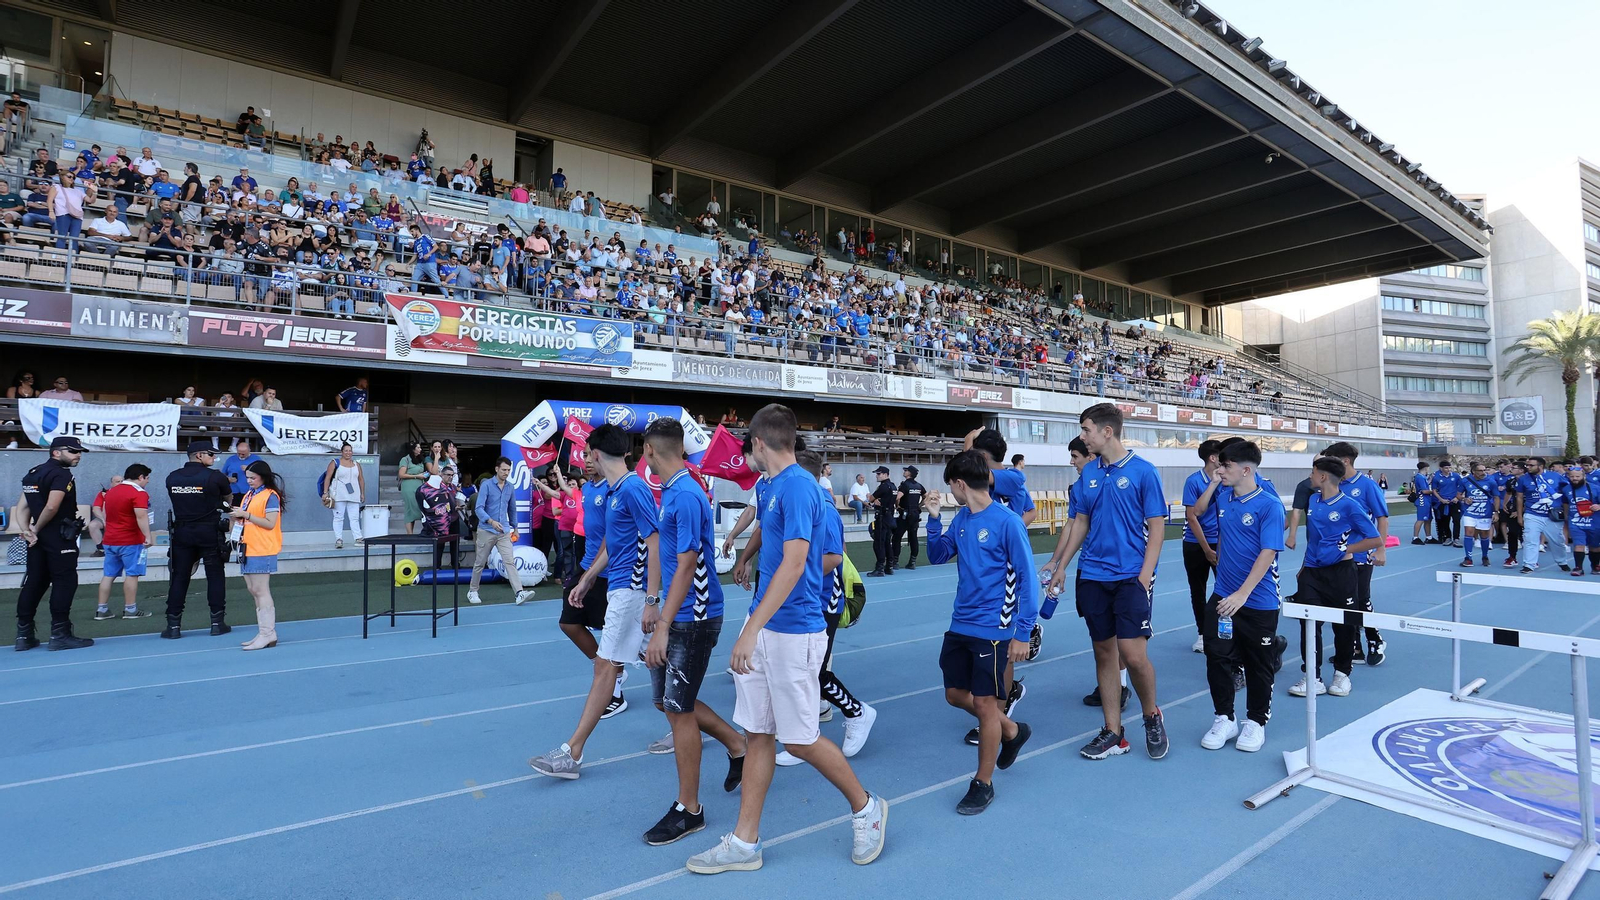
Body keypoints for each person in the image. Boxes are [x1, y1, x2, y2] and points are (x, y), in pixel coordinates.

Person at [684, 403, 886, 875]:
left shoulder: (797, 486)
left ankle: (867, 808)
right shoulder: (772, 485)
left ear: (758, 443)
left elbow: (796, 565)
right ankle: (744, 843)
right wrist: (748, 565)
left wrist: (750, 629)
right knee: (758, 734)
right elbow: (771, 542)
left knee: (799, 740)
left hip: (794, 632)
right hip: (767, 626)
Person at [529, 424, 660, 780]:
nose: (586, 459)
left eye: (588, 454)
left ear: (598, 454)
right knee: (665, 673)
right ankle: (730, 741)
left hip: (631, 591)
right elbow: (613, 544)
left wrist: (651, 598)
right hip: (619, 587)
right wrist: (587, 579)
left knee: (605, 667)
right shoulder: (616, 490)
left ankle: (572, 752)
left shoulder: (632, 488)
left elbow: (655, 542)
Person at [639, 418, 748, 845]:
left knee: (678, 708)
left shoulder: (684, 494)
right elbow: (667, 556)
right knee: (665, 701)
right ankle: (736, 744)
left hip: (694, 617)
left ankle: (690, 810)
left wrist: (664, 625)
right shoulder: (673, 490)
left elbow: (686, 565)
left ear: (649, 450)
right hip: (676, 612)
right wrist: (654, 603)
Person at [1044, 403, 1169, 761]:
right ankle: (1113, 731)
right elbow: (1081, 522)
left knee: (1133, 655)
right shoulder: (1088, 473)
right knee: (1104, 652)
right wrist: (1062, 565)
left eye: (1086, 430)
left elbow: (1157, 527)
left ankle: (1151, 715)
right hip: (1093, 577)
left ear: (1107, 431)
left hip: (1130, 577)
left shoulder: (1144, 472)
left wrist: (1144, 576)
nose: (1082, 437)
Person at [924, 449, 1037, 814]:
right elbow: (938, 555)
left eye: (950, 487)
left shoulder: (1007, 522)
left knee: (986, 706)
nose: (951, 492)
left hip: (993, 628)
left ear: (959, 484)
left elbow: (1028, 579)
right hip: (961, 622)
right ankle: (1012, 731)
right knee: (955, 695)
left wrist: (1023, 632)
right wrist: (933, 518)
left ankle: (983, 784)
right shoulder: (961, 519)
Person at [1191, 441, 1287, 752]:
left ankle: (1256, 722)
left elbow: (1268, 551)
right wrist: (1215, 482)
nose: (1219, 470)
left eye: (1225, 466)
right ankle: (1225, 718)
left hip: (1257, 600)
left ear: (1246, 470)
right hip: (1223, 597)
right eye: (1219, 465)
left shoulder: (1269, 505)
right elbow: (1199, 513)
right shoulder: (1223, 496)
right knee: (1217, 657)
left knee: (1258, 664)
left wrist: (1243, 594)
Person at [1283, 457, 1381, 698]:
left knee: (1343, 625)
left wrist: (1345, 549)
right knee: (1309, 622)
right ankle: (1312, 677)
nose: (1310, 476)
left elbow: (1375, 539)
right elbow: (1314, 538)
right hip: (1312, 572)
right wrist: (1304, 567)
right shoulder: (1313, 500)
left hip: (1341, 573)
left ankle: (1342, 674)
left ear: (1323, 476)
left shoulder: (1349, 505)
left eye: (1313, 472)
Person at [560, 446, 627, 718]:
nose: (586, 460)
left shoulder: (614, 489)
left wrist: (593, 571)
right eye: (584, 455)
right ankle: (606, 671)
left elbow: (611, 535)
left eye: (590, 455)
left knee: (616, 636)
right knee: (569, 622)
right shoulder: (587, 488)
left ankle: (615, 689)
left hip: (608, 572)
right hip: (587, 566)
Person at [14, 437, 93, 652]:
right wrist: (36, 530)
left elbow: (22, 507)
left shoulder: (33, 473)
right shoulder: (61, 474)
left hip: (38, 538)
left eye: (79, 451)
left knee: (34, 582)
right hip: (58, 535)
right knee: (64, 582)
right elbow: (51, 507)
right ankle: (60, 634)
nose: (78, 455)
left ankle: (23, 635)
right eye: (73, 451)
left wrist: (27, 530)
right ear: (56, 452)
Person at [1322, 442, 1390, 666]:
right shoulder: (1332, 484)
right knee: (1344, 601)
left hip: (1361, 552)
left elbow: (1382, 518)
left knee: (1361, 599)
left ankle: (1375, 640)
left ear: (1345, 461)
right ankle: (1355, 648)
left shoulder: (1367, 485)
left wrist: (1380, 548)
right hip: (1337, 555)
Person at [164, 440, 234, 639]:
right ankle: (217, 623)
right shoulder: (215, 476)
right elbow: (228, 501)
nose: (214, 458)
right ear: (199, 455)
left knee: (179, 577)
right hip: (209, 531)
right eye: (211, 454)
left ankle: (173, 626)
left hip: (182, 532)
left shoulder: (172, 477)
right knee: (215, 576)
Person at [232, 460, 285, 651]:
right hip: (248, 546)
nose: (249, 481)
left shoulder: (270, 496)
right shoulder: (250, 494)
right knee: (254, 589)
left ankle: (267, 632)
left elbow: (270, 523)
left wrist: (246, 515)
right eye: (247, 478)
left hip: (262, 547)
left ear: (263, 477)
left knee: (261, 590)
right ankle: (264, 632)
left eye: (253, 478)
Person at [93, 464, 155, 622]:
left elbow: (105, 514)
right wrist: (148, 536)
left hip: (110, 539)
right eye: (147, 478)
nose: (147, 481)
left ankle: (102, 609)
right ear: (140, 477)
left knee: (108, 575)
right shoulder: (139, 493)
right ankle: (130, 609)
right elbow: (141, 516)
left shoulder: (111, 492)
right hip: (131, 540)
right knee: (132, 574)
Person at [469, 457, 534, 606]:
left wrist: (515, 528)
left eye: (508, 470)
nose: (506, 473)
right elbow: (479, 508)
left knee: (509, 561)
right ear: (497, 469)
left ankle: (519, 592)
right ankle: (473, 590)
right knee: (480, 562)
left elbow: (512, 508)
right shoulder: (486, 485)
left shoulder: (510, 487)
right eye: (504, 470)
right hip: (486, 530)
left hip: (503, 531)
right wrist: (491, 521)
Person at [1181, 440, 1223, 654]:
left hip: (1221, 543)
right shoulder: (1194, 481)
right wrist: (1206, 549)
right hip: (1195, 543)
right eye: (1222, 455)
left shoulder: (1226, 480)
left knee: (1225, 588)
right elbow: (1192, 517)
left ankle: (1225, 632)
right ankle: (1202, 634)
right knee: (1198, 590)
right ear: (1213, 458)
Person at [1517, 456, 1572, 574]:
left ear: (1540, 466)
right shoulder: (1523, 479)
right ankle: (1529, 564)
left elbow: (1567, 492)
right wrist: (1520, 516)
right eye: (1527, 465)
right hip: (1532, 514)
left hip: (1552, 515)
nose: (1528, 467)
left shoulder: (1555, 476)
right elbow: (1520, 497)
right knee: (1530, 539)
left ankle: (1562, 561)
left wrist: (1566, 512)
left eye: (1531, 465)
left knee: (1557, 541)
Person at [324, 442, 365, 549]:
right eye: (346, 450)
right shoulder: (335, 463)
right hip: (339, 495)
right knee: (338, 517)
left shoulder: (356, 464)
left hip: (354, 495)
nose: (348, 453)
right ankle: (339, 539)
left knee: (354, 518)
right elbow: (327, 478)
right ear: (342, 452)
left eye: (350, 451)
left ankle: (358, 538)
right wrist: (325, 492)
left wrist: (362, 493)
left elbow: (361, 479)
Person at [1460, 461, 1499, 569]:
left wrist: (1496, 512)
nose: (1483, 472)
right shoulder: (1465, 481)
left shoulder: (1491, 481)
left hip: (1485, 512)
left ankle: (1485, 556)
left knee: (1484, 535)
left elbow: (1496, 497)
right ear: (1473, 471)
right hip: (1470, 511)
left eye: (1484, 470)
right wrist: (1464, 499)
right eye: (1480, 470)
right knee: (1468, 532)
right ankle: (1468, 558)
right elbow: (1458, 494)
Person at [1564, 465, 1600, 576]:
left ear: (1584, 476)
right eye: (1572, 476)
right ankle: (1578, 567)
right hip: (1576, 522)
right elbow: (1565, 504)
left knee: (1595, 546)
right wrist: (1566, 518)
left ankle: (1595, 566)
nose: (1574, 479)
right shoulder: (1566, 489)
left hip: (1594, 522)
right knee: (1579, 544)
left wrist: (1598, 506)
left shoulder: (1596, 488)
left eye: (1577, 476)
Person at [891, 465, 925, 570]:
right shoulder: (919, 486)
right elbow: (925, 497)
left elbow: (897, 497)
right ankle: (912, 562)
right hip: (915, 514)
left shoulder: (905, 485)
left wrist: (897, 506)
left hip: (905, 515)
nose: (904, 471)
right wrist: (919, 506)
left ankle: (895, 562)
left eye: (906, 470)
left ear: (909, 473)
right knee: (913, 538)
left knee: (897, 537)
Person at [866, 465, 896, 576]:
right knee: (887, 542)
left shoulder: (883, 487)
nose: (877, 476)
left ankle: (880, 568)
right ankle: (889, 566)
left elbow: (870, 499)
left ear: (885, 474)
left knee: (879, 543)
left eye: (879, 474)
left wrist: (873, 498)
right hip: (890, 516)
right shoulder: (893, 486)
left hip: (882, 517)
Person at [397, 441, 429, 534]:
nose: (420, 449)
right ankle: (409, 533)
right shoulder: (405, 459)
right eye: (418, 447)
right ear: (413, 449)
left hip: (420, 486)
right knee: (410, 508)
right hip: (409, 487)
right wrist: (416, 476)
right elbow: (401, 474)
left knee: (419, 508)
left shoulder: (419, 459)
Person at [221, 437, 261, 505]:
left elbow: (263, 474)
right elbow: (223, 474)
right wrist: (228, 479)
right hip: (234, 492)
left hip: (251, 491)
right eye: (239, 453)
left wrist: (250, 469)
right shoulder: (231, 459)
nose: (241, 456)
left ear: (249, 451)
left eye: (243, 454)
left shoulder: (256, 459)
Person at [1432, 460, 1463, 548]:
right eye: (1446, 468)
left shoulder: (1456, 476)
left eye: (1449, 467)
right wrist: (1441, 499)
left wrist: (1457, 498)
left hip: (1455, 502)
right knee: (1445, 521)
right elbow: (1434, 490)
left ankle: (1456, 538)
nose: (1448, 469)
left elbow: (1462, 487)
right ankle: (1448, 537)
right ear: (1441, 468)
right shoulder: (1436, 478)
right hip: (1444, 502)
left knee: (1456, 520)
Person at [1409, 462, 1435, 545]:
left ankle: (1429, 537)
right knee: (1421, 518)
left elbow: (1425, 485)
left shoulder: (1422, 477)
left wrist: (1430, 480)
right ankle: (1415, 537)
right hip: (1422, 500)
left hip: (1426, 500)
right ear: (1426, 468)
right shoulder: (1420, 477)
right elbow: (1424, 491)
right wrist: (1435, 492)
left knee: (1428, 519)